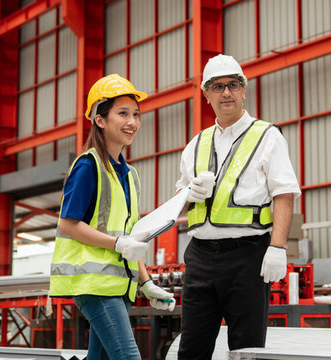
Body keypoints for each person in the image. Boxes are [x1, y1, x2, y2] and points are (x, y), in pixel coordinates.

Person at [175, 54, 301, 359]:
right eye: (217, 87)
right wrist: (189, 193)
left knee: (246, 350)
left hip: (248, 258)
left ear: (244, 90)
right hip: (200, 259)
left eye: (233, 85)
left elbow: (284, 194)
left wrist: (278, 247)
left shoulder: (268, 136)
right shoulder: (196, 143)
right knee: (191, 350)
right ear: (206, 95)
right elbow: (180, 201)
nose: (226, 93)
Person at [49, 74, 176, 360]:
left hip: (120, 286)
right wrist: (117, 246)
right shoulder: (88, 166)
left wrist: (146, 283)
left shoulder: (131, 176)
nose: (132, 122)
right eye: (122, 114)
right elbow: (68, 224)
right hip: (92, 285)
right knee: (127, 356)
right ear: (100, 120)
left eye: (136, 114)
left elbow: (130, 238)